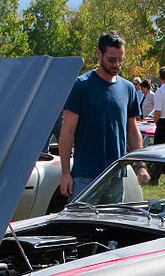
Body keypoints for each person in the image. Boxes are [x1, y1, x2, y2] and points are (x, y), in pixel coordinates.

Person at [58, 30, 147, 199]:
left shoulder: (128, 88)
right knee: (82, 225)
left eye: (121, 60)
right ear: (99, 53)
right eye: (112, 60)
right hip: (85, 178)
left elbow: (132, 130)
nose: (117, 65)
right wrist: (65, 173)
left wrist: (141, 165)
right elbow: (67, 132)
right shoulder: (81, 86)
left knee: (111, 225)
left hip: (116, 176)